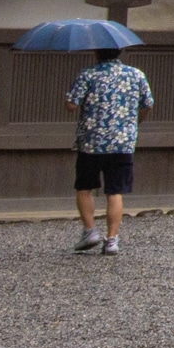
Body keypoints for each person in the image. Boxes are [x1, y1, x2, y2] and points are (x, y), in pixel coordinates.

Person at [66, 54, 153, 254]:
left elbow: (71, 105)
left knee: (84, 187)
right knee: (114, 191)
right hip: (122, 141)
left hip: (91, 141)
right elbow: (147, 104)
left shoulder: (88, 74)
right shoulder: (136, 74)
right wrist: (134, 123)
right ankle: (112, 240)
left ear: (97, 53)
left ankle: (89, 232)